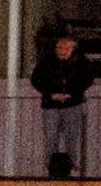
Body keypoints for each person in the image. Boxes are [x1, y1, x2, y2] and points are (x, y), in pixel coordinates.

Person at [32, 25, 95, 178]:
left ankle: (73, 167)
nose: (62, 51)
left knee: (72, 137)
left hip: (73, 104)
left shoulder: (81, 62)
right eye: (60, 47)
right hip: (51, 105)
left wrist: (72, 94)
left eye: (66, 48)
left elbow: (87, 79)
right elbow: (36, 79)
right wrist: (51, 94)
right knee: (50, 137)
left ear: (74, 48)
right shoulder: (46, 61)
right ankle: (50, 168)